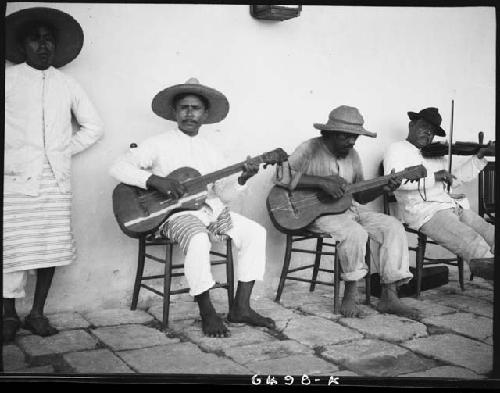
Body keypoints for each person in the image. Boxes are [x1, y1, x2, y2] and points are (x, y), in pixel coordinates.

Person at [109, 78, 276, 337]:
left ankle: (241, 307)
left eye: (195, 108)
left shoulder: (211, 150)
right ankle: (207, 312)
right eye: (184, 107)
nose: (189, 113)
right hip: (173, 215)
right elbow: (118, 167)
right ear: (175, 112)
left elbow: (223, 193)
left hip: (209, 210)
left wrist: (243, 178)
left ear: (205, 114)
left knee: (256, 232)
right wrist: (154, 180)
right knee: (198, 239)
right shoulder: (157, 143)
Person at [3, 7, 104, 342]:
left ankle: (37, 313)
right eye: (35, 38)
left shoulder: (67, 83)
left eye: (48, 39)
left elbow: (94, 127)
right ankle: (8, 316)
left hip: (54, 181)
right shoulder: (9, 78)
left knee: (50, 247)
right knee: (12, 248)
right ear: (23, 45)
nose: (43, 45)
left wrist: (59, 151)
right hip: (15, 179)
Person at [275, 105, 418, 318]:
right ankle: (350, 294)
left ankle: (390, 295)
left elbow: (360, 195)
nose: (351, 142)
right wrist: (322, 182)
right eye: (345, 136)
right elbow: (281, 176)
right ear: (329, 133)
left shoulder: (353, 156)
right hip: (316, 215)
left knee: (392, 225)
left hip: (350, 210)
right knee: (355, 233)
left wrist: (384, 187)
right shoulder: (310, 148)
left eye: (355, 137)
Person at [383, 107, 495, 271]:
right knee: (473, 242)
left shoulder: (435, 153)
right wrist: (434, 177)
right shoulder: (397, 149)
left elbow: (454, 180)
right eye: (424, 127)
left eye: (432, 131)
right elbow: (395, 182)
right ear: (411, 125)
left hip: (452, 207)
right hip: (425, 212)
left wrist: (478, 157)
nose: (428, 134)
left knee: (491, 233)